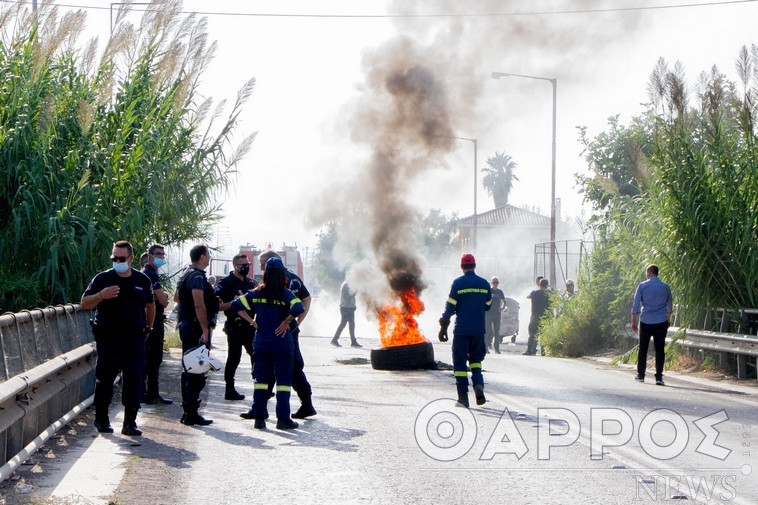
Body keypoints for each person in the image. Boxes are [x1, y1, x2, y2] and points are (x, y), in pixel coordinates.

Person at [81, 240, 155, 436]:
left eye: (122, 258)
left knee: (134, 379)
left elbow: (150, 305)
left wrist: (148, 327)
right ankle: (102, 420)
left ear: (131, 258)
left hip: (134, 338)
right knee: (105, 379)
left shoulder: (142, 280)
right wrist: (101, 296)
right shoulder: (103, 279)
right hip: (108, 338)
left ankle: (130, 422)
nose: (118, 261)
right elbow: (85, 303)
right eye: (115, 258)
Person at [231, 257, 304, 430]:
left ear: (266, 274)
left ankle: (259, 418)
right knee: (284, 382)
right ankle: (283, 419)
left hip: (262, 343)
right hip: (281, 344)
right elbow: (298, 308)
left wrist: (251, 321)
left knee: (261, 381)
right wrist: (287, 321)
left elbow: (235, 304)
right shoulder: (286, 294)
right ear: (282, 275)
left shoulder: (256, 292)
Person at [242, 249, 316, 420]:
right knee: (287, 367)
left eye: (262, 265)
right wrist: (296, 321)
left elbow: (299, 301)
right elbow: (306, 299)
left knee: (276, 369)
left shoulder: (281, 279)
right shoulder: (293, 277)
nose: (261, 269)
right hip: (286, 330)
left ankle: (262, 409)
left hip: (276, 332)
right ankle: (264, 408)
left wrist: (292, 321)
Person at [176, 244, 227, 426]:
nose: (209, 258)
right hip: (195, 328)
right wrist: (205, 329)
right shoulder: (197, 277)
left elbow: (177, 298)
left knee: (190, 369)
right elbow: (199, 304)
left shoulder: (186, 274)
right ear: (203, 257)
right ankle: (191, 412)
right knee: (196, 370)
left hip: (187, 326)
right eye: (209, 255)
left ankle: (188, 411)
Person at [438, 253, 492, 408]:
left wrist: (443, 326)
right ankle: (478, 385)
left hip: (461, 330)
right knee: (476, 361)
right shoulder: (484, 284)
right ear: (474, 266)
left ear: (462, 267)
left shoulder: (458, 284)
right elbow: (488, 305)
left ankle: (463, 398)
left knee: (460, 364)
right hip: (478, 330)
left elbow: (450, 307)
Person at [215, 253, 258, 400]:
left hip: (251, 326)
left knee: (256, 356)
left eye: (248, 265)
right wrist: (234, 303)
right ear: (235, 266)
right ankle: (230, 389)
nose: (246, 268)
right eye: (243, 265)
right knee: (234, 357)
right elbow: (218, 306)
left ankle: (261, 385)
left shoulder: (251, 283)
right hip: (234, 326)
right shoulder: (226, 283)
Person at [141, 243, 173, 405]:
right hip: (153, 322)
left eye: (163, 254)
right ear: (150, 255)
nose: (161, 257)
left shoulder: (148, 273)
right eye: (158, 254)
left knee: (150, 359)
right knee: (153, 359)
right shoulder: (150, 274)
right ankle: (151, 394)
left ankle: (147, 393)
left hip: (150, 321)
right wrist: (164, 296)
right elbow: (163, 300)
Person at [631, 264, 673, 386]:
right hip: (660, 322)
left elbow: (635, 305)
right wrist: (668, 320)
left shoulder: (642, 286)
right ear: (657, 273)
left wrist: (634, 321)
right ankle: (659, 377)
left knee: (643, 349)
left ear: (649, 272)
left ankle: (640, 375)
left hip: (645, 321)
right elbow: (669, 307)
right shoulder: (665, 287)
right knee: (660, 350)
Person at [331, 279, 361, 348]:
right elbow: (351, 294)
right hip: (346, 308)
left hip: (348, 307)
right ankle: (336, 340)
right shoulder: (346, 285)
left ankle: (352, 341)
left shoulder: (348, 284)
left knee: (349, 324)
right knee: (347, 324)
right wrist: (357, 289)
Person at [525, 277, 550, 355]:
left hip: (535, 316)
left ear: (539, 284)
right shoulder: (548, 294)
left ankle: (529, 350)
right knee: (543, 334)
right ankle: (543, 352)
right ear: (546, 285)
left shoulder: (534, 292)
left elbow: (528, 297)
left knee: (532, 334)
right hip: (544, 316)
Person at [484, 276, 506, 354]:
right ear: (491, 283)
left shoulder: (500, 292)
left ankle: (497, 349)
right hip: (488, 314)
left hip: (497, 314)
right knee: (487, 331)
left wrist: (502, 308)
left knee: (497, 332)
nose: (495, 284)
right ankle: (486, 348)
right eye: (494, 282)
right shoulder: (488, 291)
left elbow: (504, 301)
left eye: (497, 282)